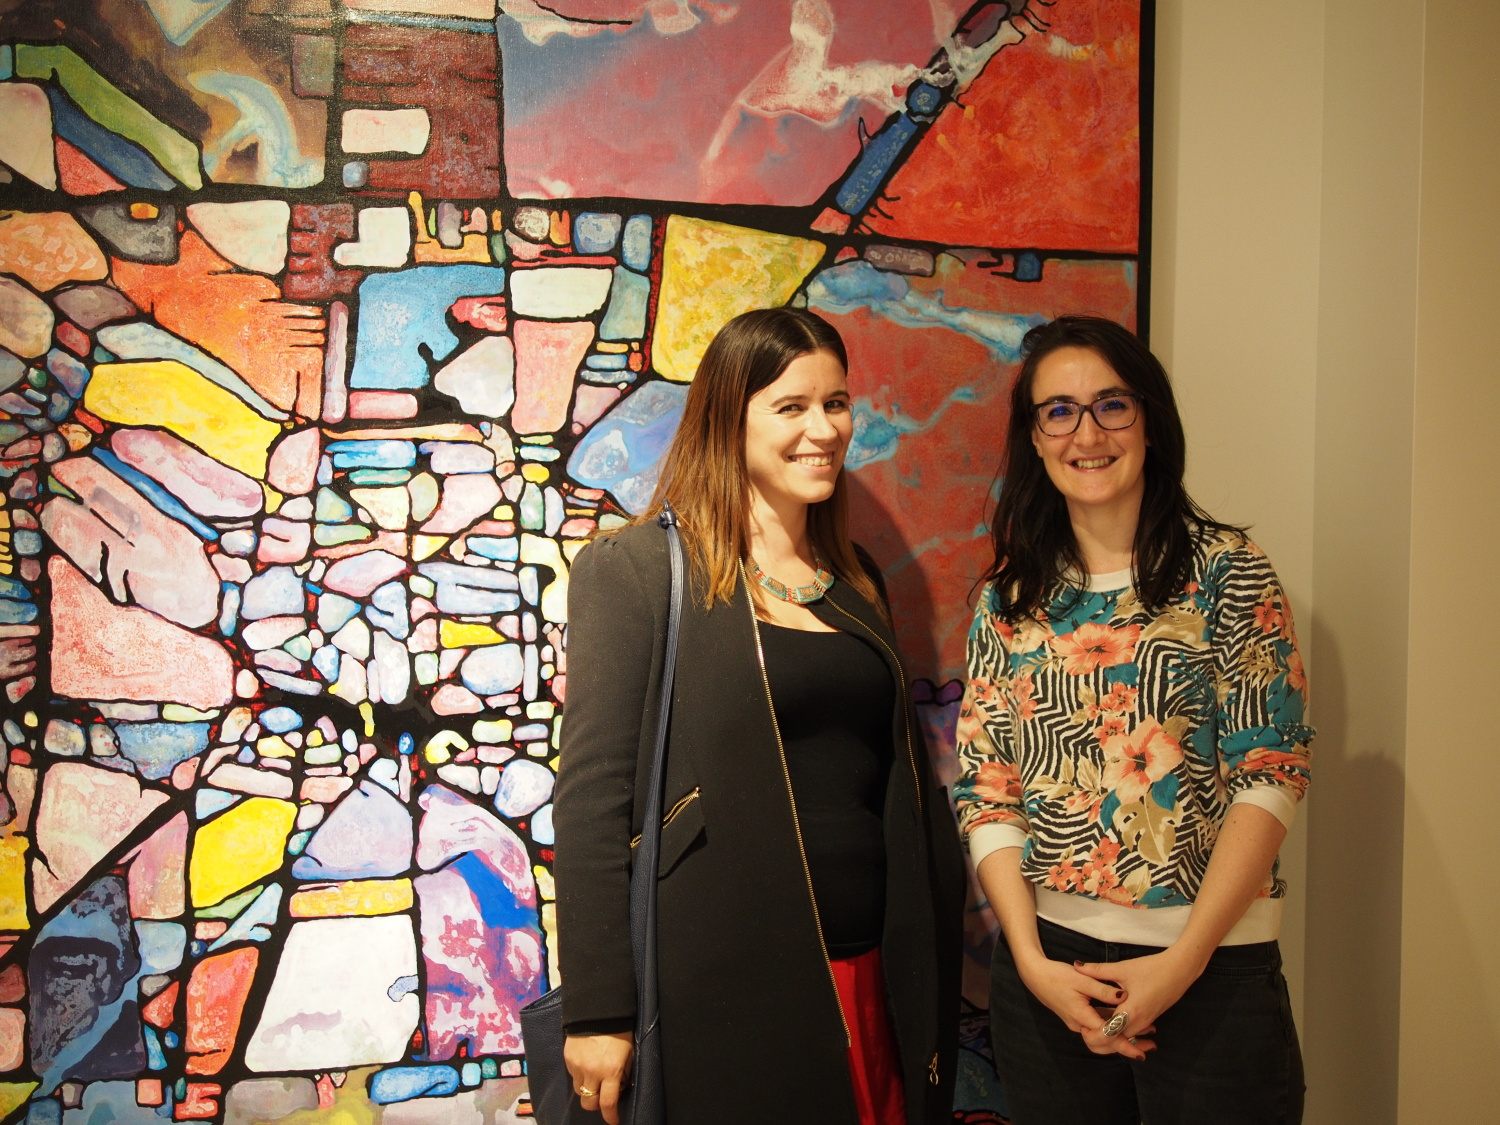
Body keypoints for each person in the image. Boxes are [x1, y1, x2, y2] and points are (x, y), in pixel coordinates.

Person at [552, 307, 966, 1125]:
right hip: (726, 986)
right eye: (791, 406)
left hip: (871, 974)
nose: (824, 428)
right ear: (727, 419)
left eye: (836, 403)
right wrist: (598, 1010)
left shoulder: (856, 577)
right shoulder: (637, 569)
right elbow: (592, 796)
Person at [953, 316, 1313, 1124]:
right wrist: (1031, 959)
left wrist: (1182, 961)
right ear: (1035, 437)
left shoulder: (1228, 572)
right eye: (1059, 411)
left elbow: (1272, 769)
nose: (1087, 434)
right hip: (1050, 976)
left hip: (1214, 970)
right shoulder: (1010, 599)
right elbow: (986, 790)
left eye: (1111, 405)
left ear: (1150, 420)